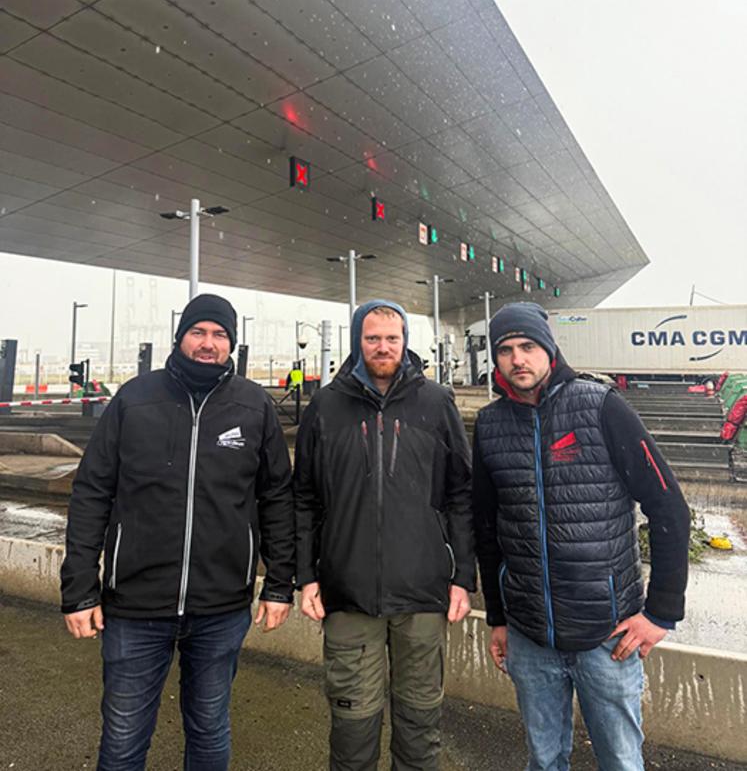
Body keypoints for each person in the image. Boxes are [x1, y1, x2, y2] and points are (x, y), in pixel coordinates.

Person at [61, 293, 295, 771]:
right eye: (199, 332)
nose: (208, 344)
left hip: (221, 607)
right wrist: (79, 589)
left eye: (220, 335)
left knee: (209, 733)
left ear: (231, 343)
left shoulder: (253, 407)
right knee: (124, 740)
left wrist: (279, 584)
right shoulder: (134, 399)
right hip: (134, 606)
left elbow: (277, 499)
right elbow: (91, 494)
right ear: (180, 336)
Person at [472, 301, 690, 771]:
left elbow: (668, 506)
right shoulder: (490, 425)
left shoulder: (602, 406)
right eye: (506, 350)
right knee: (545, 759)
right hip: (530, 636)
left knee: (620, 761)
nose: (518, 359)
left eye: (528, 346)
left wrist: (662, 612)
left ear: (549, 349)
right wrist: (498, 616)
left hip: (606, 635)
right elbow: (487, 529)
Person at [294, 300, 475, 771]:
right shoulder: (326, 407)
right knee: (352, 727)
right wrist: (304, 576)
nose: (382, 347)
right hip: (348, 595)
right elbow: (305, 498)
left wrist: (464, 578)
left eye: (392, 338)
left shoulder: (436, 403)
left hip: (422, 595)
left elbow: (461, 494)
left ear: (405, 342)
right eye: (372, 338)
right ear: (358, 341)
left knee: (420, 726)